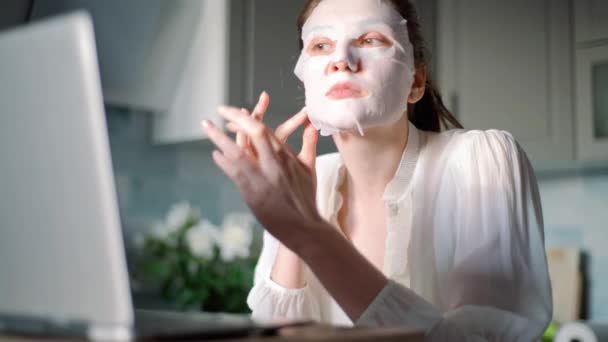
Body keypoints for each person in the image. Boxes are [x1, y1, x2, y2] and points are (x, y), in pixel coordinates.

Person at [201, 0, 552, 340]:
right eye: (321, 45)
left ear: (416, 82)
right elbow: (279, 335)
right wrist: (291, 227)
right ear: (306, 82)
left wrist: (306, 230)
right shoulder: (300, 184)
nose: (341, 60)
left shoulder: (481, 162)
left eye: (371, 40)